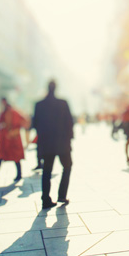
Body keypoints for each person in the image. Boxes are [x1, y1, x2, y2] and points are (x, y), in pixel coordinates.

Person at [33, 80, 74, 209]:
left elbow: (35, 124)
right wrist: (69, 139)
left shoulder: (39, 105)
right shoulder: (63, 103)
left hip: (46, 143)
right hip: (62, 143)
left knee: (47, 171)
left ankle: (45, 199)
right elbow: (70, 122)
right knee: (67, 166)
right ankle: (62, 195)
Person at [0, 97, 30, 184]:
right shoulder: (3, 112)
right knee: (0, 157)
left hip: (13, 140)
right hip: (5, 140)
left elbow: (23, 122)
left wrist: (14, 131)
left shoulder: (14, 112)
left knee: (16, 158)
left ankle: (19, 174)